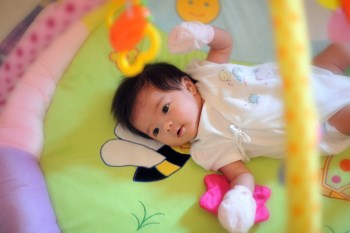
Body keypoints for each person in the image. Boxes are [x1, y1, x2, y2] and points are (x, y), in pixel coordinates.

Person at [111, 22, 350, 233]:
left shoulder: (207, 75)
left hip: (308, 76)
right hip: (318, 125)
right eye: (155, 131)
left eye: (165, 109)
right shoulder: (207, 148)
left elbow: (223, 44)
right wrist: (241, 198)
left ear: (188, 86)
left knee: (341, 49)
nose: (167, 126)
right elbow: (240, 175)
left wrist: (202, 33)